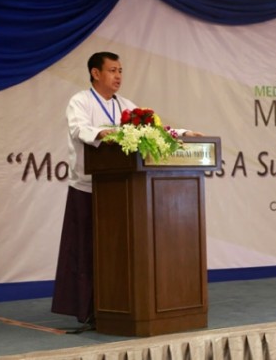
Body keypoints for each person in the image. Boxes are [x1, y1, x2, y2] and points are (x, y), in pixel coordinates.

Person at [51, 51, 202, 326]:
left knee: (119, 250)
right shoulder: (80, 101)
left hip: (121, 192)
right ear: (96, 73)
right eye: (112, 70)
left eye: (120, 70)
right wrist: (102, 133)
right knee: (87, 251)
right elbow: (78, 129)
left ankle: (118, 304)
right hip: (88, 188)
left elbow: (152, 130)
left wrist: (181, 134)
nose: (118, 76)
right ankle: (87, 309)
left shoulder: (126, 105)